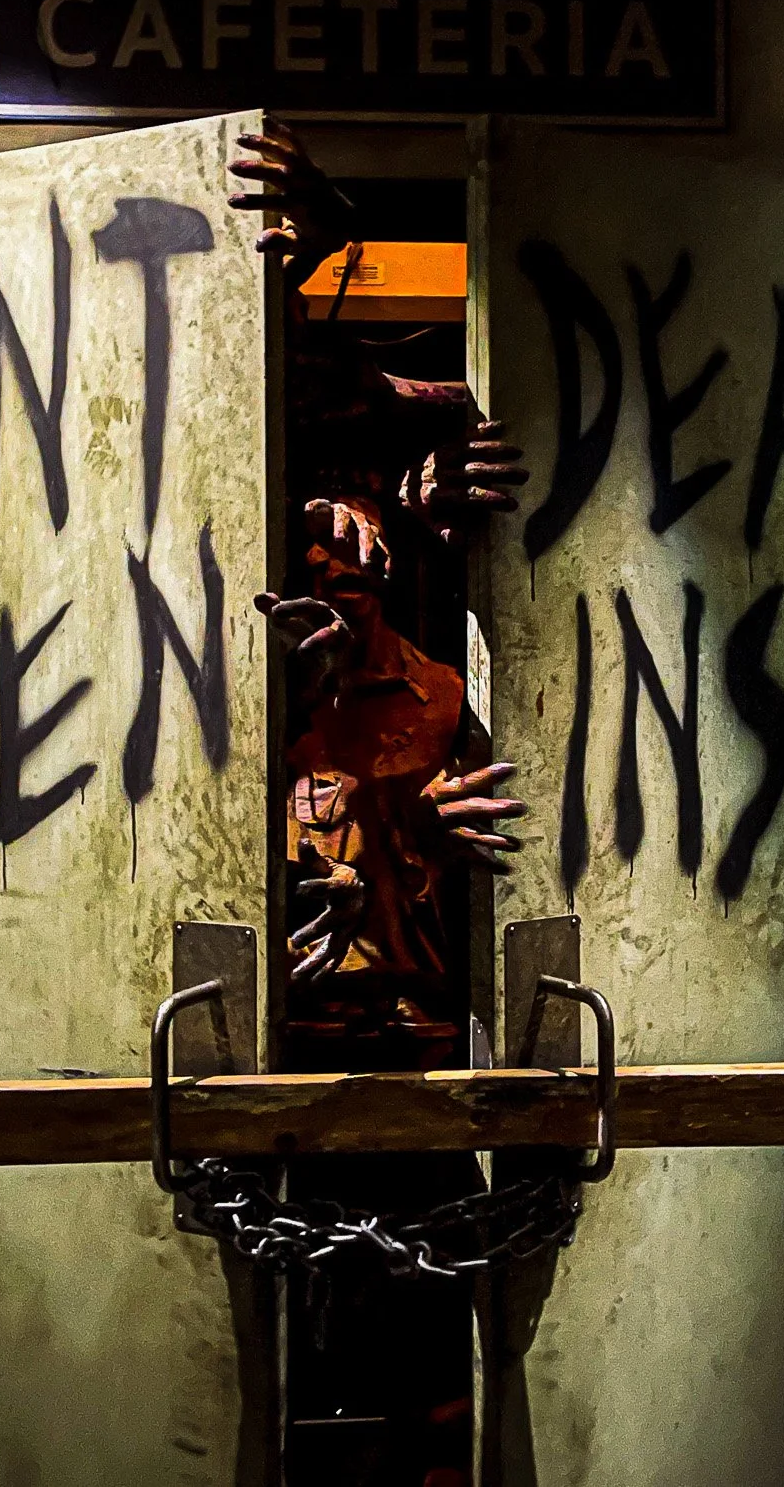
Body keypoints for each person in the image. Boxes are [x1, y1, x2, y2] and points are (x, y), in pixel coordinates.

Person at [229, 127, 530, 1070]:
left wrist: (429, 494)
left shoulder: (432, 694)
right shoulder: (238, 687)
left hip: (401, 1006)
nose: (332, 552)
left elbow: (480, 454)